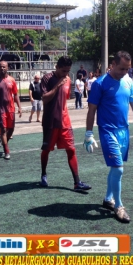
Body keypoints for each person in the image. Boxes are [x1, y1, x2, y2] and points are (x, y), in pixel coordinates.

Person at [85, 50, 133, 223]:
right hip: (107, 131)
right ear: (113, 64)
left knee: (115, 168)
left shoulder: (128, 81)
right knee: (119, 168)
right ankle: (119, 206)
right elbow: (92, 110)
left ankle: (108, 199)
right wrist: (88, 133)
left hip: (124, 130)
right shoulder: (99, 84)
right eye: (122, 68)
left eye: (128, 69)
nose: (125, 72)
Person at [40, 56, 91, 191]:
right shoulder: (47, 78)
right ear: (56, 67)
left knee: (71, 150)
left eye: (68, 71)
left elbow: (65, 98)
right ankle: (43, 174)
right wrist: (57, 85)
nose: (66, 74)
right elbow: (44, 99)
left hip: (65, 122)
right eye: (63, 71)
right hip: (50, 122)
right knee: (46, 150)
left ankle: (77, 182)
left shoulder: (68, 79)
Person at [0, 61, 22, 160]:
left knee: (11, 129)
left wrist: (19, 107)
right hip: (0, 109)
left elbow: (16, 94)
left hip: (11, 109)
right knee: (3, 129)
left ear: (7, 68)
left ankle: (5, 142)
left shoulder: (12, 80)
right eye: (1, 67)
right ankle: (6, 151)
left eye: (4, 67)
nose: (2, 69)